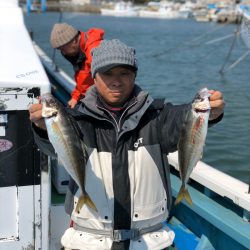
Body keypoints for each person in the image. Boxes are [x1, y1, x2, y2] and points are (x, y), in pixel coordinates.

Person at [29, 39, 225, 250]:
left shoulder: (157, 118)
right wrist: (42, 128)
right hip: (88, 241)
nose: (116, 81)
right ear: (94, 77)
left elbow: (184, 119)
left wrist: (209, 113)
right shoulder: (77, 121)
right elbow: (53, 147)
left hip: (148, 242)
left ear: (134, 75)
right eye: (107, 73)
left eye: (124, 73)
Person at [50, 22, 104, 108]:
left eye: (63, 49)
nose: (63, 53)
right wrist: (75, 97)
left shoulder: (94, 53)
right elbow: (84, 79)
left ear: (74, 40)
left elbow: (107, 85)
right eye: (60, 50)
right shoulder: (79, 52)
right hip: (89, 96)